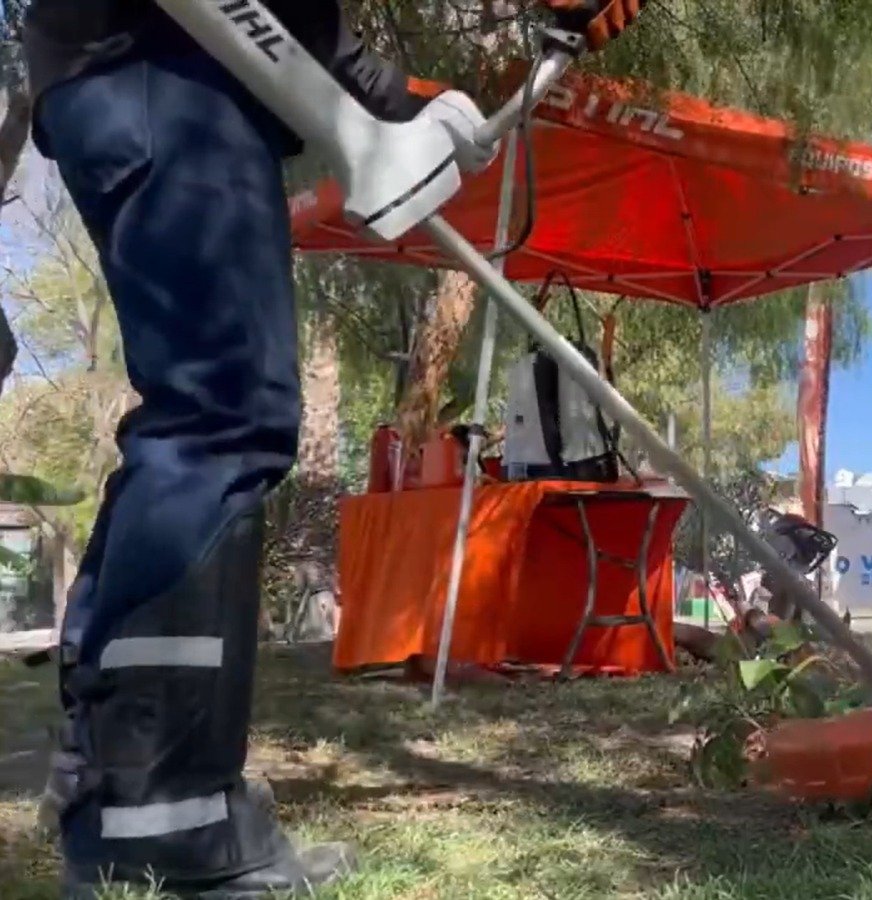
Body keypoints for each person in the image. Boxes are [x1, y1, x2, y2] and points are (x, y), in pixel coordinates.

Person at [20, 1, 642, 896]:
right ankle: (163, 814)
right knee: (220, 418)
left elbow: (307, 22)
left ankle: (118, 786)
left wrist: (393, 99)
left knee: (201, 417)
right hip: (167, 64)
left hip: (152, 73)